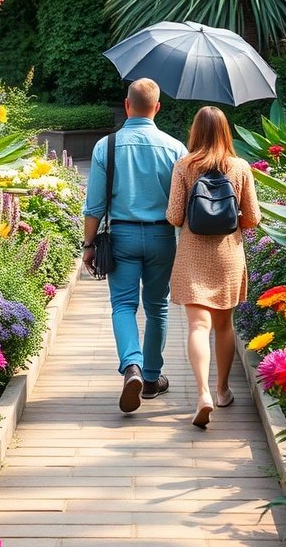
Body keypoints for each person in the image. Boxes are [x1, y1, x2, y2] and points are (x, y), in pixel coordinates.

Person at [82, 78, 187, 413]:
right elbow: (183, 205)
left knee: (123, 306)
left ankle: (132, 367)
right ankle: (153, 379)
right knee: (157, 307)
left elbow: (94, 206)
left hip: (121, 237)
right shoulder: (175, 149)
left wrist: (87, 245)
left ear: (127, 105)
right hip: (162, 237)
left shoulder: (106, 147)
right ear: (157, 108)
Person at [166, 106, 261, 428]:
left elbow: (175, 216)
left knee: (197, 327)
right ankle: (222, 391)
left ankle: (202, 394)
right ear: (225, 131)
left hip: (193, 253)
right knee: (224, 326)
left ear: (195, 131)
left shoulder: (184, 166)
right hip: (228, 255)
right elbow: (253, 218)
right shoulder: (240, 167)